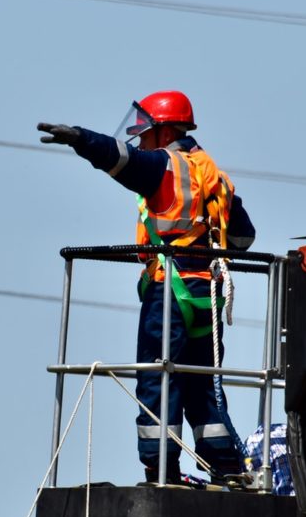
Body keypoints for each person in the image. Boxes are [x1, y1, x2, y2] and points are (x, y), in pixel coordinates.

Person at [37, 90, 256, 485]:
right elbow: (243, 239)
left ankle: (162, 471)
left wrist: (81, 139)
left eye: (145, 130)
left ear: (165, 130)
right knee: (201, 382)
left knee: (159, 377)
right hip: (209, 291)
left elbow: (123, 160)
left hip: (169, 289)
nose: (139, 138)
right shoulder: (213, 173)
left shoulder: (166, 166)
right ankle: (227, 468)